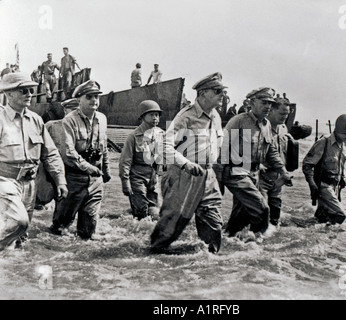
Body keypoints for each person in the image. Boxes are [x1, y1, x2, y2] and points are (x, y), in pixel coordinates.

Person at [150, 72, 226, 254]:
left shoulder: (215, 116)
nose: (222, 95)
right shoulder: (186, 117)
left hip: (207, 176)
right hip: (184, 175)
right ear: (202, 93)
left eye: (222, 91)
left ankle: (209, 261)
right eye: (217, 91)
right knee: (171, 226)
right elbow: (164, 145)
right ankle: (151, 258)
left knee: (213, 221)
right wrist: (185, 164)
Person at [0, 73, 68, 251]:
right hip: (5, 181)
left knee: (21, 235)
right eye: (23, 90)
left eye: (31, 90)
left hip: (30, 183)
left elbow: (50, 153)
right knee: (18, 222)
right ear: (8, 94)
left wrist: (60, 179)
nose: (29, 93)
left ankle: (12, 271)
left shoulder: (36, 120)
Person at [220, 87, 292, 239]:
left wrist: (283, 172)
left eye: (270, 103)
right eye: (264, 102)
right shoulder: (238, 121)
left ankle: (227, 241)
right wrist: (218, 180)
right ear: (251, 103)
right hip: (237, 173)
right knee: (262, 208)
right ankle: (256, 243)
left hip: (253, 174)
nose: (268, 106)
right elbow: (222, 149)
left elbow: (271, 151)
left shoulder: (266, 125)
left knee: (241, 215)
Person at [49, 80, 111, 239]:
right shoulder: (70, 120)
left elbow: (103, 146)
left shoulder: (102, 119)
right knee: (60, 228)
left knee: (88, 231)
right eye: (89, 97)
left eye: (97, 96)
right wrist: (89, 168)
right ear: (79, 100)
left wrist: (106, 169)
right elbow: (68, 152)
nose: (94, 100)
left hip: (96, 181)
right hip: (73, 179)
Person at [302, 114, 346, 225]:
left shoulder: (343, 144)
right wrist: (312, 184)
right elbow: (307, 164)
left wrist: (342, 177)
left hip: (334, 185)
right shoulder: (324, 142)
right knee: (340, 215)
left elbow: (340, 163)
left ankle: (317, 236)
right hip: (323, 185)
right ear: (338, 131)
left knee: (323, 217)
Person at [119, 100, 164, 220]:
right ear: (143, 117)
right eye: (151, 114)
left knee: (156, 211)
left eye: (157, 115)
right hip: (137, 179)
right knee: (141, 212)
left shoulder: (161, 134)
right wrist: (125, 182)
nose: (155, 118)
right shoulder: (133, 136)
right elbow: (125, 161)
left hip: (154, 179)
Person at [259, 97, 294, 226]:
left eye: (287, 114)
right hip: (262, 177)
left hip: (278, 178)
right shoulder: (261, 128)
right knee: (260, 213)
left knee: (275, 216)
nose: (284, 117)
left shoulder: (283, 128)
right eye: (282, 114)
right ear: (272, 110)